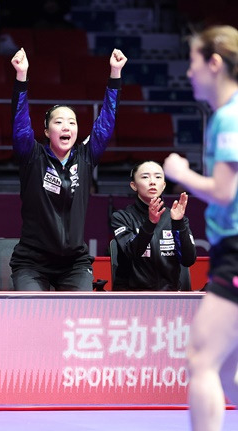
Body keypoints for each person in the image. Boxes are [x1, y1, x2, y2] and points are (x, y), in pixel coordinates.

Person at [162, 25, 238, 431]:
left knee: (202, 359)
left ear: (214, 63)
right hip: (231, 247)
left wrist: (182, 172)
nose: (188, 72)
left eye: (193, 62)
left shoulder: (230, 118)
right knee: (227, 372)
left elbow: (224, 192)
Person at [8, 47, 127, 291]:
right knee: (33, 315)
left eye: (72, 122)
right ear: (46, 131)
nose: (66, 126)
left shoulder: (85, 157)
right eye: (59, 122)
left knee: (77, 316)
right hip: (32, 262)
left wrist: (115, 74)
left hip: (73, 262)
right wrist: (22, 78)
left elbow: (106, 123)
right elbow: (20, 124)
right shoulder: (32, 156)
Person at [111, 161, 197, 291]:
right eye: (145, 177)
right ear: (134, 185)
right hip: (132, 297)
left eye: (158, 177)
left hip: (170, 296)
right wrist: (150, 223)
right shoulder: (122, 218)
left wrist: (178, 224)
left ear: (163, 185)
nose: (152, 182)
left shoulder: (176, 217)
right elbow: (132, 252)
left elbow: (188, 260)